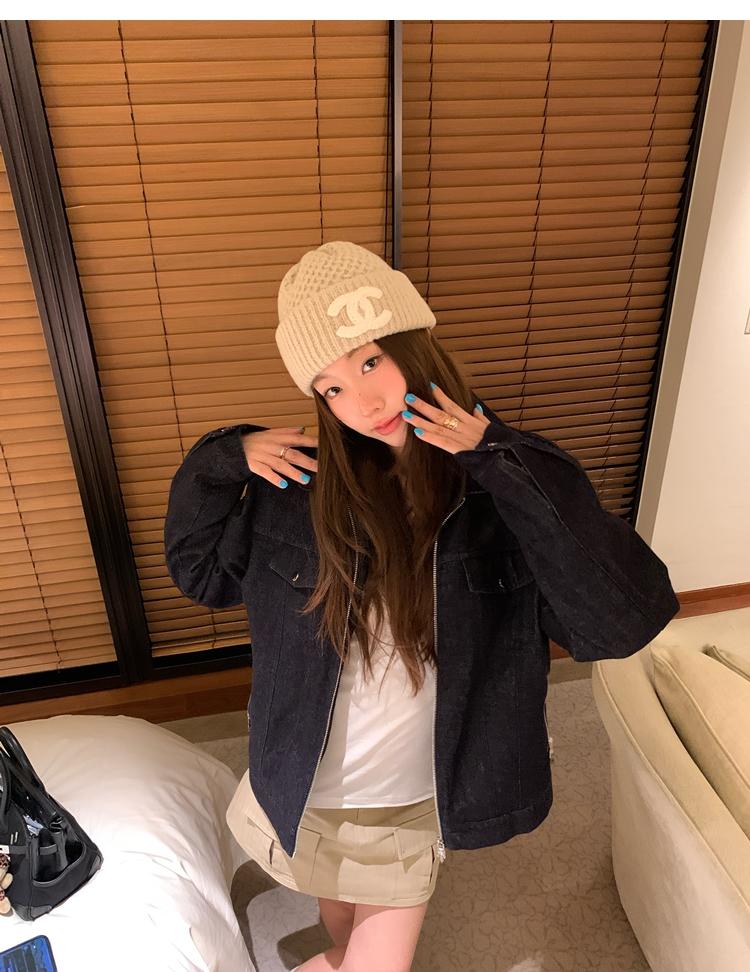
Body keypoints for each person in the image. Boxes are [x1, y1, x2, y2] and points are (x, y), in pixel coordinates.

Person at [164, 241, 680, 972]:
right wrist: (222, 460)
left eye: (371, 361)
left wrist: (503, 460)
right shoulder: (301, 493)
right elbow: (200, 576)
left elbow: (620, 620)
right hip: (307, 783)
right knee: (343, 937)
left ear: (416, 343)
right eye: (330, 388)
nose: (362, 403)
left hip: (409, 800)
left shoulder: (497, 496)